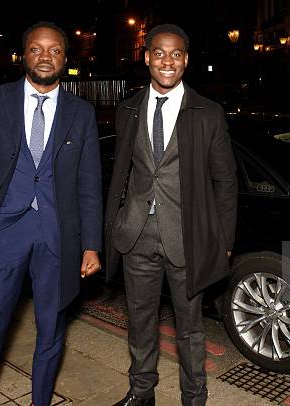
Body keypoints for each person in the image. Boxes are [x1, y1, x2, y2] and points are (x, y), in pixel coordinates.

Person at [0, 22, 102, 406]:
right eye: (36, 49)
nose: (45, 56)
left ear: (65, 59)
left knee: (51, 330)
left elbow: (89, 183)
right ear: (23, 55)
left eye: (54, 50)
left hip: (58, 236)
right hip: (1, 233)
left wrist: (92, 245)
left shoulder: (81, 112)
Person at [105, 24, 238, 406]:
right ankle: (141, 391)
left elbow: (225, 184)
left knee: (190, 329)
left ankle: (194, 397)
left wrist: (224, 242)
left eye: (176, 53)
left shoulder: (207, 113)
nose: (168, 61)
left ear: (186, 60)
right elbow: (123, 172)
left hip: (188, 237)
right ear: (146, 57)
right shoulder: (128, 108)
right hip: (136, 234)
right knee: (140, 321)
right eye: (159, 53)